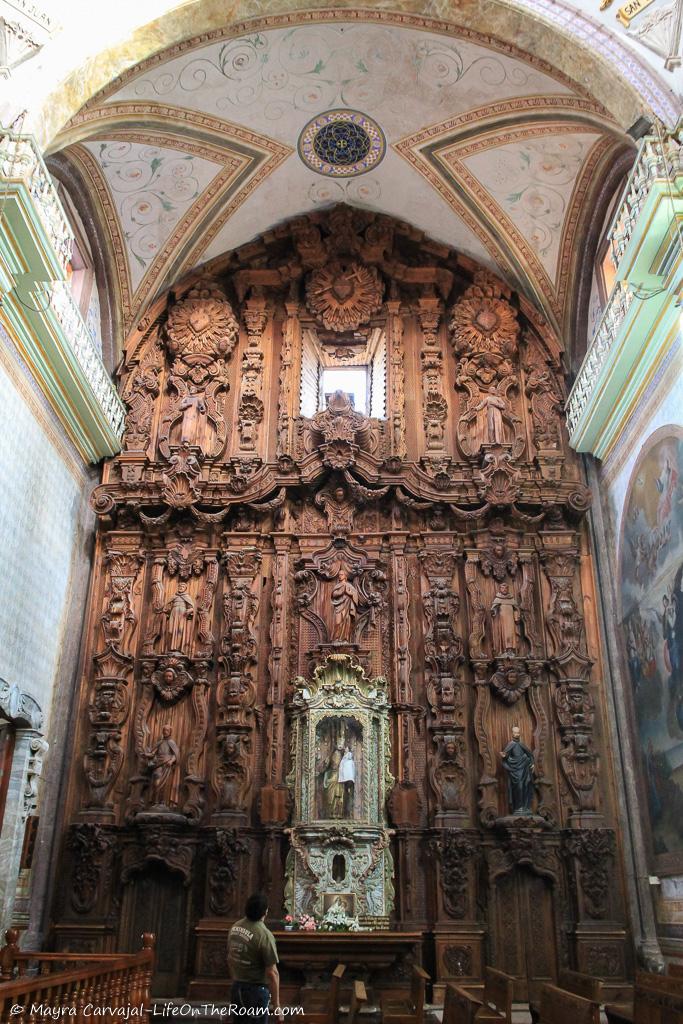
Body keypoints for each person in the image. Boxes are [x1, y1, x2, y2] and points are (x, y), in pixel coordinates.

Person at [227, 893, 281, 1016]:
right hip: (256, 992)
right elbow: (272, 972)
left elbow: (230, 959)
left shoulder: (234, 927)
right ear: (265, 912)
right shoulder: (264, 935)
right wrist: (276, 1005)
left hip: (237, 988)